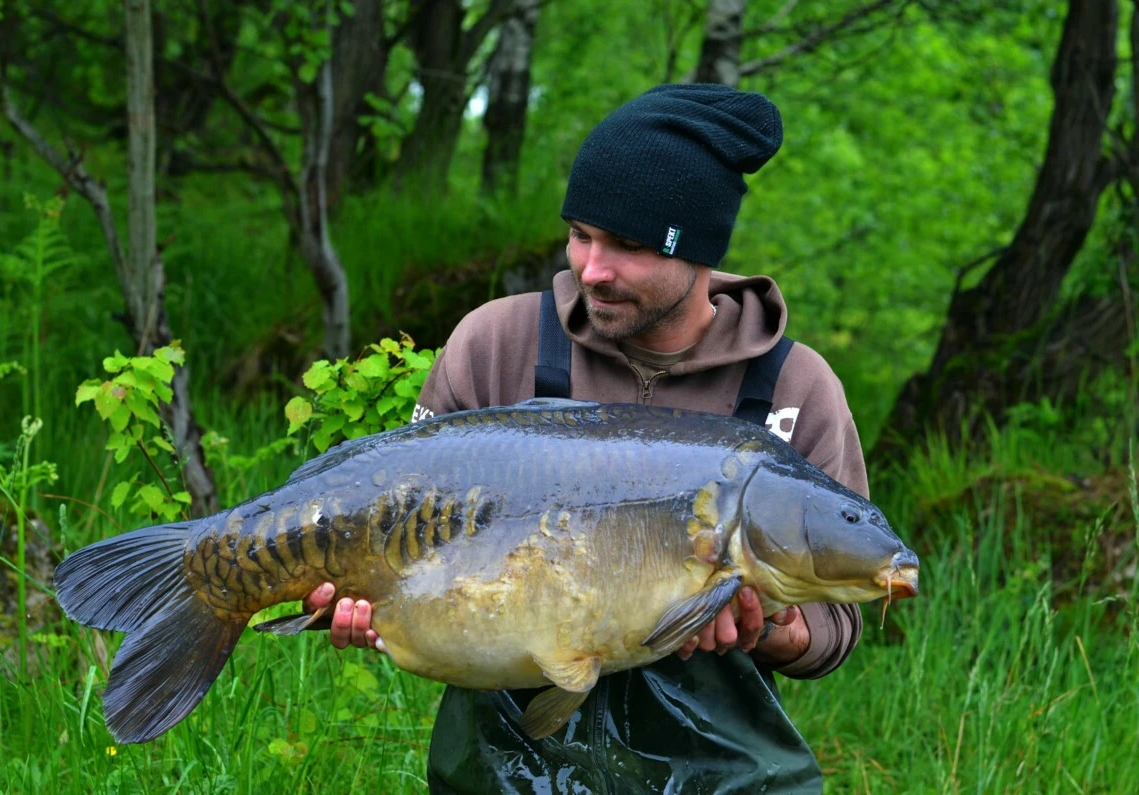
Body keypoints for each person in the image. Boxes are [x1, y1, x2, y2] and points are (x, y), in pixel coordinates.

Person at [304, 83, 868, 793]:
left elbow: (838, 621)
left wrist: (774, 630)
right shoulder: (497, 343)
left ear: (695, 250)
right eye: (580, 233)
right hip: (504, 764)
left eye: (627, 245)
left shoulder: (794, 388)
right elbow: (398, 525)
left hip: (712, 771)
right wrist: (355, 594)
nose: (591, 269)